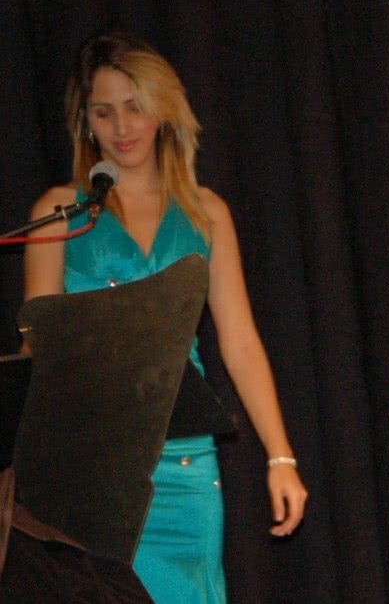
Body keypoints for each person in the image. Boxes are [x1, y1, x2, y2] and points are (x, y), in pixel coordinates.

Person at [23, 32, 308, 604]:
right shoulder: (58, 212)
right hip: (90, 468)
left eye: (135, 107)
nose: (121, 127)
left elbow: (240, 342)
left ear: (163, 111)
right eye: (104, 112)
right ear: (86, 123)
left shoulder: (206, 213)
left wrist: (281, 457)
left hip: (185, 465)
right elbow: (36, 349)